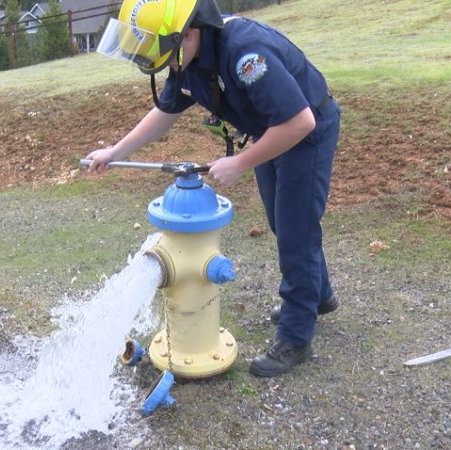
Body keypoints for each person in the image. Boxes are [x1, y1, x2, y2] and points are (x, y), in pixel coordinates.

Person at [85, 0, 341, 377]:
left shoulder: (244, 54)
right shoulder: (189, 57)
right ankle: (318, 295)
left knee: (295, 229)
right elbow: (165, 111)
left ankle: (296, 334)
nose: (167, 66)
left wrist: (240, 162)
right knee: (281, 220)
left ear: (189, 34)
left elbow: (299, 121)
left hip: (304, 133)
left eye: (167, 56)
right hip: (269, 130)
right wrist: (116, 151)